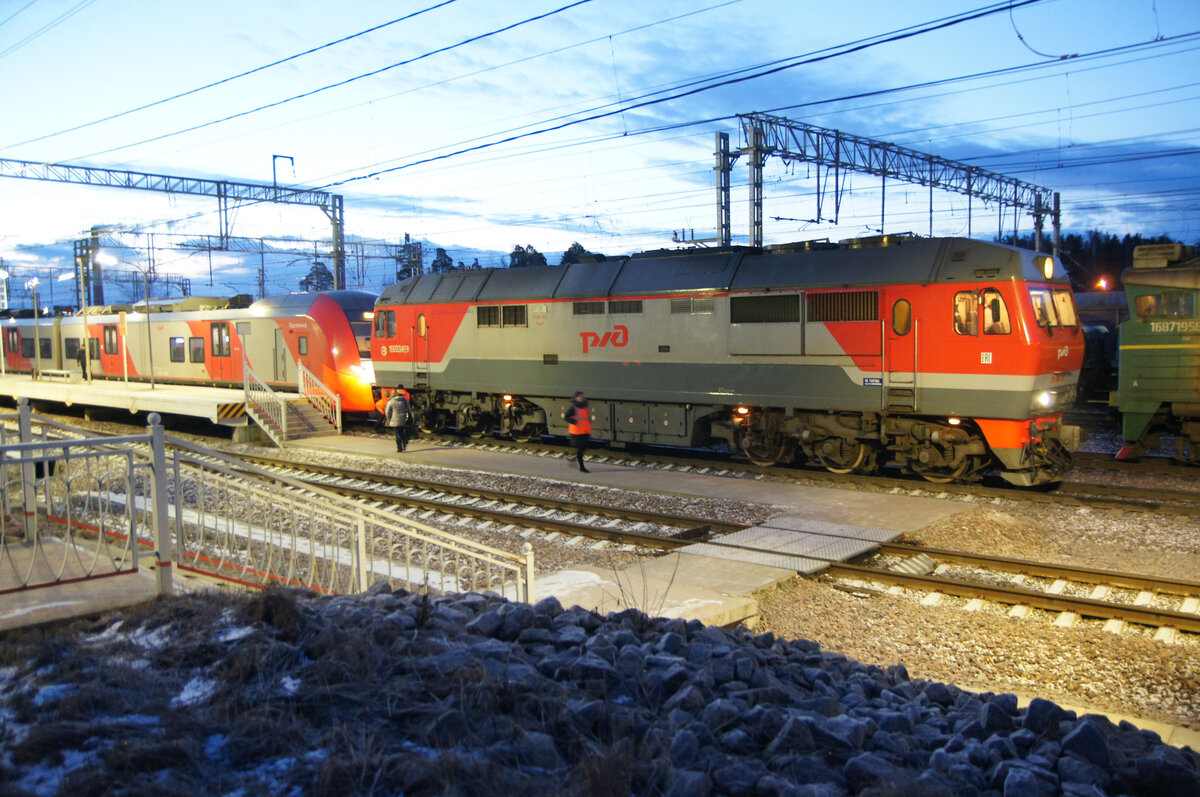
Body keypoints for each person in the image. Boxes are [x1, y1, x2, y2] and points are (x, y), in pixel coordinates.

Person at [564, 391, 591, 473]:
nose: (581, 398)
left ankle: (573, 459)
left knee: (585, 447)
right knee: (580, 449)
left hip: (585, 431)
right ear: (576, 398)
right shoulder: (573, 408)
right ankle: (582, 467)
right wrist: (574, 422)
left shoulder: (585, 407)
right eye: (579, 396)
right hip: (577, 432)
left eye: (582, 396)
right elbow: (566, 417)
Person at [385, 386, 411, 452]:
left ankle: (399, 448)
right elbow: (408, 409)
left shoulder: (391, 401)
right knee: (402, 432)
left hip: (394, 419)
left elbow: (387, 411)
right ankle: (404, 446)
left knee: (397, 434)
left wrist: (389, 419)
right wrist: (409, 416)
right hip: (403, 419)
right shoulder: (404, 400)